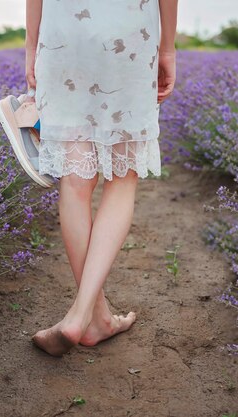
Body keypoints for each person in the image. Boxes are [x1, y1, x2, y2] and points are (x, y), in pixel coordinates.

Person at [25, 0, 177, 356]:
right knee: (121, 182)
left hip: (64, 36)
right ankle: (82, 317)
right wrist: (167, 47)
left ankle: (97, 317)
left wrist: (32, 45)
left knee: (75, 183)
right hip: (128, 33)